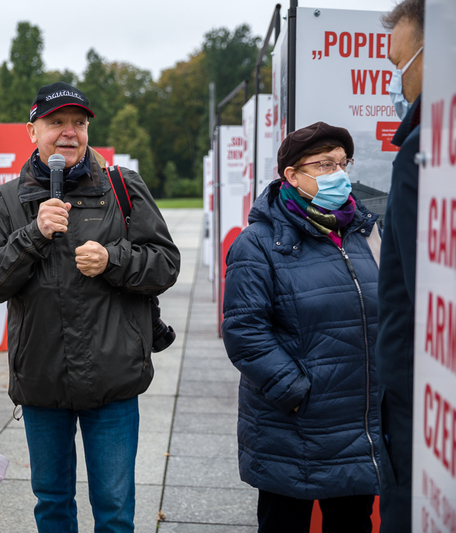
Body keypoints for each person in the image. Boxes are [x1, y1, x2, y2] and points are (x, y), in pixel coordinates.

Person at [0, 82, 180, 532]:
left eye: (78, 123)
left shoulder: (124, 187)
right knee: (52, 503)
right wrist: (33, 235)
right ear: (33, 131)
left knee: (115, 507)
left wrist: (113, 259)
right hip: (42, 380)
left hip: (113, 379)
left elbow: (165, 264)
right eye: (56, 122)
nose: (69, 132)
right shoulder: (8, 201)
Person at [222, 122, 381, 532]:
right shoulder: (258, 243)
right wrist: (296, 393)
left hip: (356, 427)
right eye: (325, 164)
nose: (339, 174)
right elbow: (245, 332)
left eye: (343, 163)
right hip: (293, 427)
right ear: (291, 175)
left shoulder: (364, 233)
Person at [376, 1, 425, 530]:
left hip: (416, 401)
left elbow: (415, 290)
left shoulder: (421, 155)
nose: (399, 84)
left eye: (399, 67)